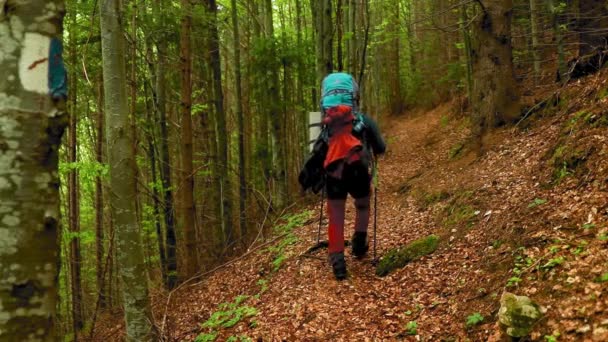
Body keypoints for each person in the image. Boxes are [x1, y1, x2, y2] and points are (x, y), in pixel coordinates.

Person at [319, 73, 386, 280]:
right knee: (363, 204)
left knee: (336, 214)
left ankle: (338, 262)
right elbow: (381, 148)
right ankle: (358, 244)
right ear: (354, 97)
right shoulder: (364, 121)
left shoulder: (323, 125)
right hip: (358, 170)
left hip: (333, 175)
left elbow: (316, 153)